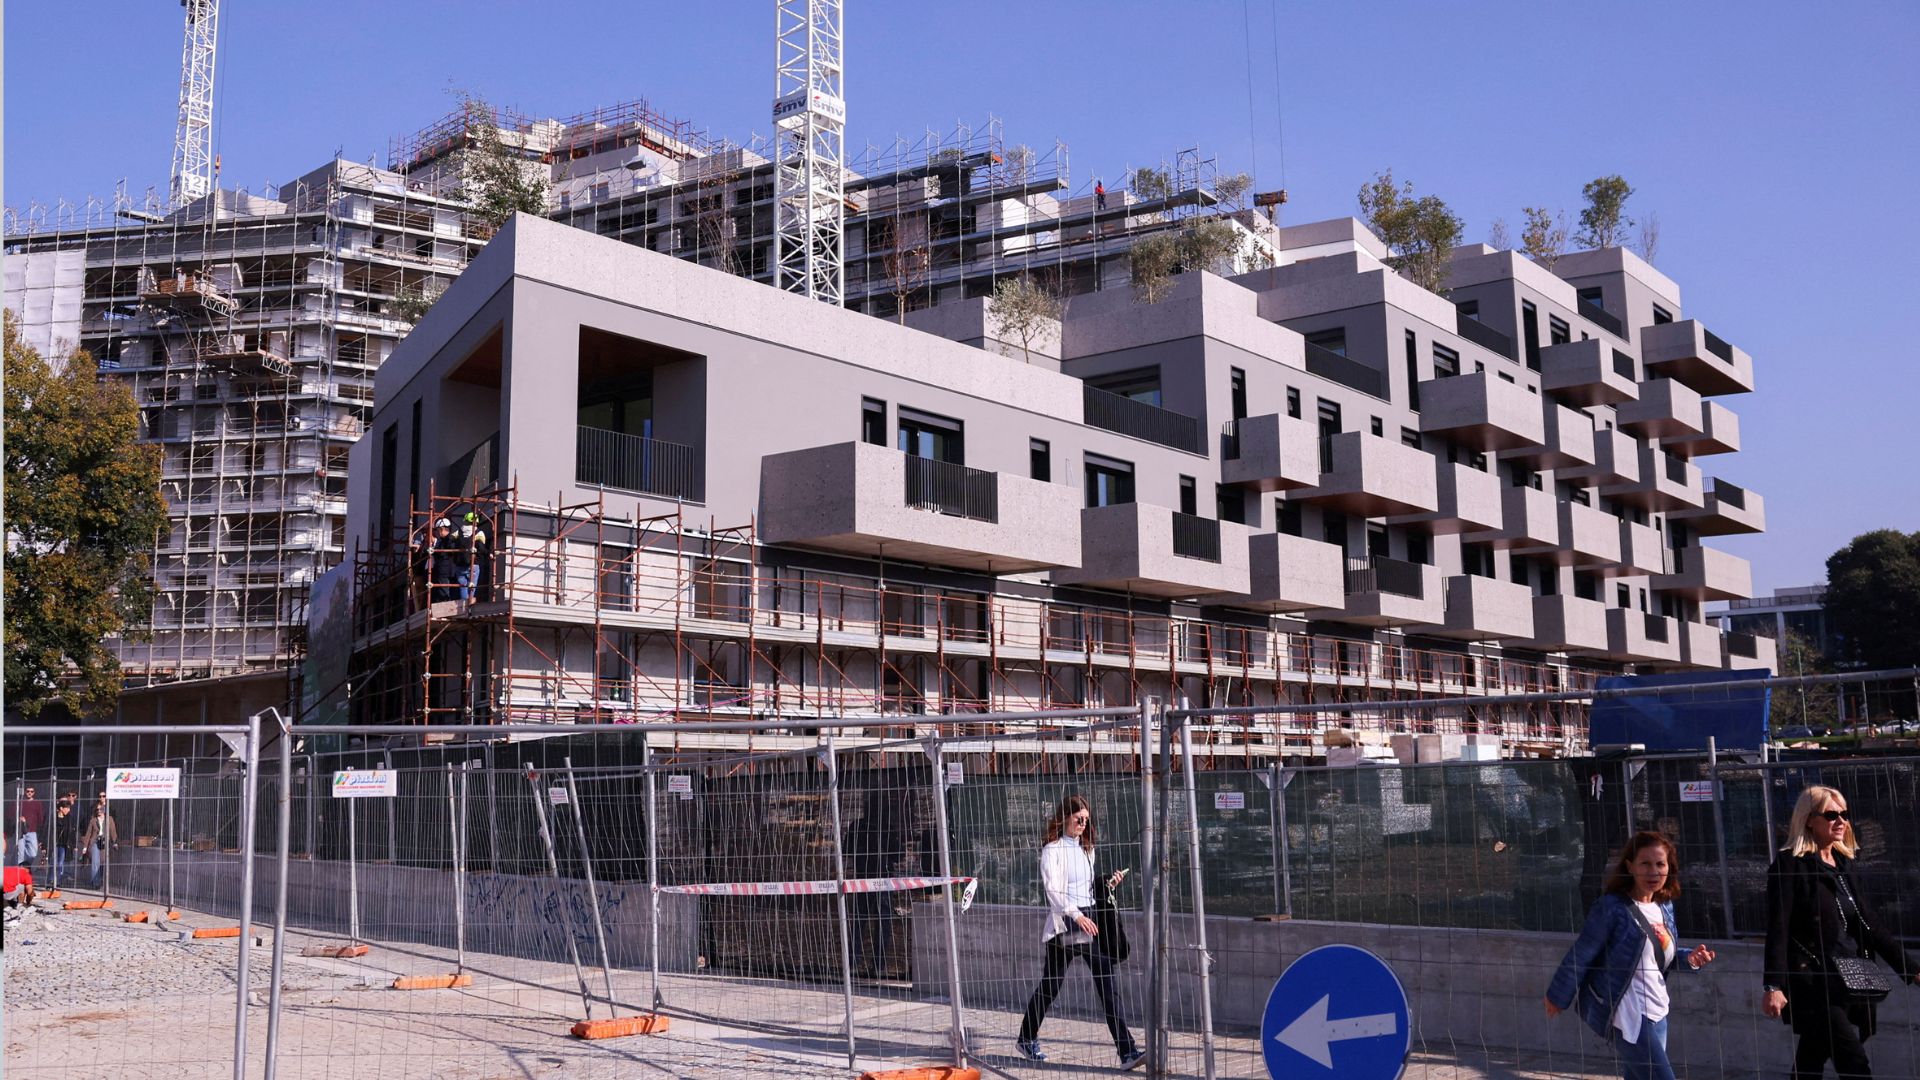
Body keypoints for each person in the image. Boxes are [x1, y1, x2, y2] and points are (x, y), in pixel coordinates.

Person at [1763, 786, 1917, 1080]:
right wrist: (1773, 985)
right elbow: (1778, 928)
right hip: (1814, 982)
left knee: (1810, 1059)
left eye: (1844, 814)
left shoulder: (1844, 864)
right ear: (1809, 819)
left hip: (1849, 977)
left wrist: (1911, 970)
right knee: (1854, 1064)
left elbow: (1869, 923)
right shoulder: (1789, 865)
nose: (1841, 821)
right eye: (1831, 814)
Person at [1545, 831, 1717, 1080]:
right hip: (1629, 1015)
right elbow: (1582, 953)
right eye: (1645, 864)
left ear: (1670, 868)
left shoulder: (1664, 907)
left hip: (1659, 1011)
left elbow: (1657, 957)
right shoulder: (1612, 908)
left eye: (1660, 864)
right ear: (1630, 866)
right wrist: (1557, 996)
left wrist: (1690, 959)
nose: (1653, 872)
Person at [1016, 795, 1143, 1069]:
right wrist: (1077, 915)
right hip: (1069, 924)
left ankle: (1026, 1037)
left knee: (1050, 986)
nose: (1083, 824)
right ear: (1065, 818)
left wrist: (1108, 881)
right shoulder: (1053, 849)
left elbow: (1088, 888)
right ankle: (1128, 1052)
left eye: (1086, 819)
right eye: (1078, 819)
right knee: (1106, 979)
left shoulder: (1087, 849)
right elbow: (1055, 892)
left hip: (1089, 919)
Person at [80, 796, 118, 888]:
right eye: (97, 809)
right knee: (95, 862)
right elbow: (88, 833)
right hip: (95, 842)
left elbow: (113, 831)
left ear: (104, 809)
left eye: (101, 809)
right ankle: (95, 883)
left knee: (102, 863)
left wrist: (115, 842)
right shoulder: (93, 820)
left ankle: (99, 880)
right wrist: (85, 847)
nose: (99, 811)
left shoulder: (110, 819)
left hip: (105, 843)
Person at [430, 518, 466, 602]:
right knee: (451, 591)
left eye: (438, 530)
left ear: (441, 529)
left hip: (444, 571)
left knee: (444, 592)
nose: (437, 533)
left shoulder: (447, 540)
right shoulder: (449, 540)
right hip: (452, 570)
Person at [16, 785, 44, 867]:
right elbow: (11, 814)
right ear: (25, 792)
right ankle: (20, 872)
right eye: (28, 791)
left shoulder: (37, 803)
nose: (29, 793)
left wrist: (40, 832)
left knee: (33, 854)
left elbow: (40, 818)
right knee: (20, 855)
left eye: (31, 791)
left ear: (34, 793)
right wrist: (18, 819)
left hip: (32, 831)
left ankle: (26, 866)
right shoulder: (20, 802)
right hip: (20, 831)